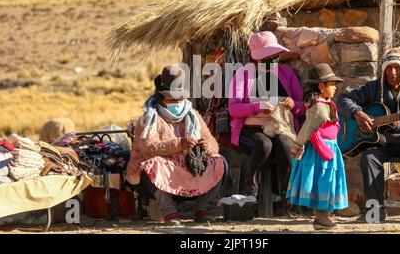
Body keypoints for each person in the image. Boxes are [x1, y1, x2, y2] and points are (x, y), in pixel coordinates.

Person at [337, 47, 400, 225]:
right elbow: (342, 100)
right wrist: (357, 114)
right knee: (369, 157)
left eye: (397, 68)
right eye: (389, 68)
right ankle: (375, 210)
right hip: (381, 144)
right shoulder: (373, 88)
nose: (392, 72)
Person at [126, 65, 225, 226]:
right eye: (172, 99)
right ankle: (170, 212)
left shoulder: (192, 115)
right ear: (161, 98)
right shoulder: (149, 118)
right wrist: (179, 144)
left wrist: (207, 146)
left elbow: (213, 143)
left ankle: (202, 209)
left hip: (189, 167)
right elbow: (147, 148)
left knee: (220, 161)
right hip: (163, 171)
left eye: (180, 99)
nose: (177, 102)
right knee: (153, 164)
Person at [228, 31, 306, 202]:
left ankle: (287, 197)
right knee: (264, 144)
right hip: (251, 129)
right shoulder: (244, 75)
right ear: (257, 58)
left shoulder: (287, 74)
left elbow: (303, 107)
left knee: (286, 146)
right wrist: (257, 107)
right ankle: (251, 194)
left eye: (275, 55)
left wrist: (293, 105)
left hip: (282, 127)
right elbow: (234, 109)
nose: (274, 58)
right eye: (269, 55)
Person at [287, 63, 348, 230]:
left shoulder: (323, 104)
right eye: (332, 84)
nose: (335, 88)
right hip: (320, 152)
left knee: (325, 181)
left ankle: (324, 217)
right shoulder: (319, 108)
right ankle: (322, 217)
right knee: (324, 181)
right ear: (321, 86)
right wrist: (298, 146)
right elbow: (308, 129)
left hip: (328, 148)